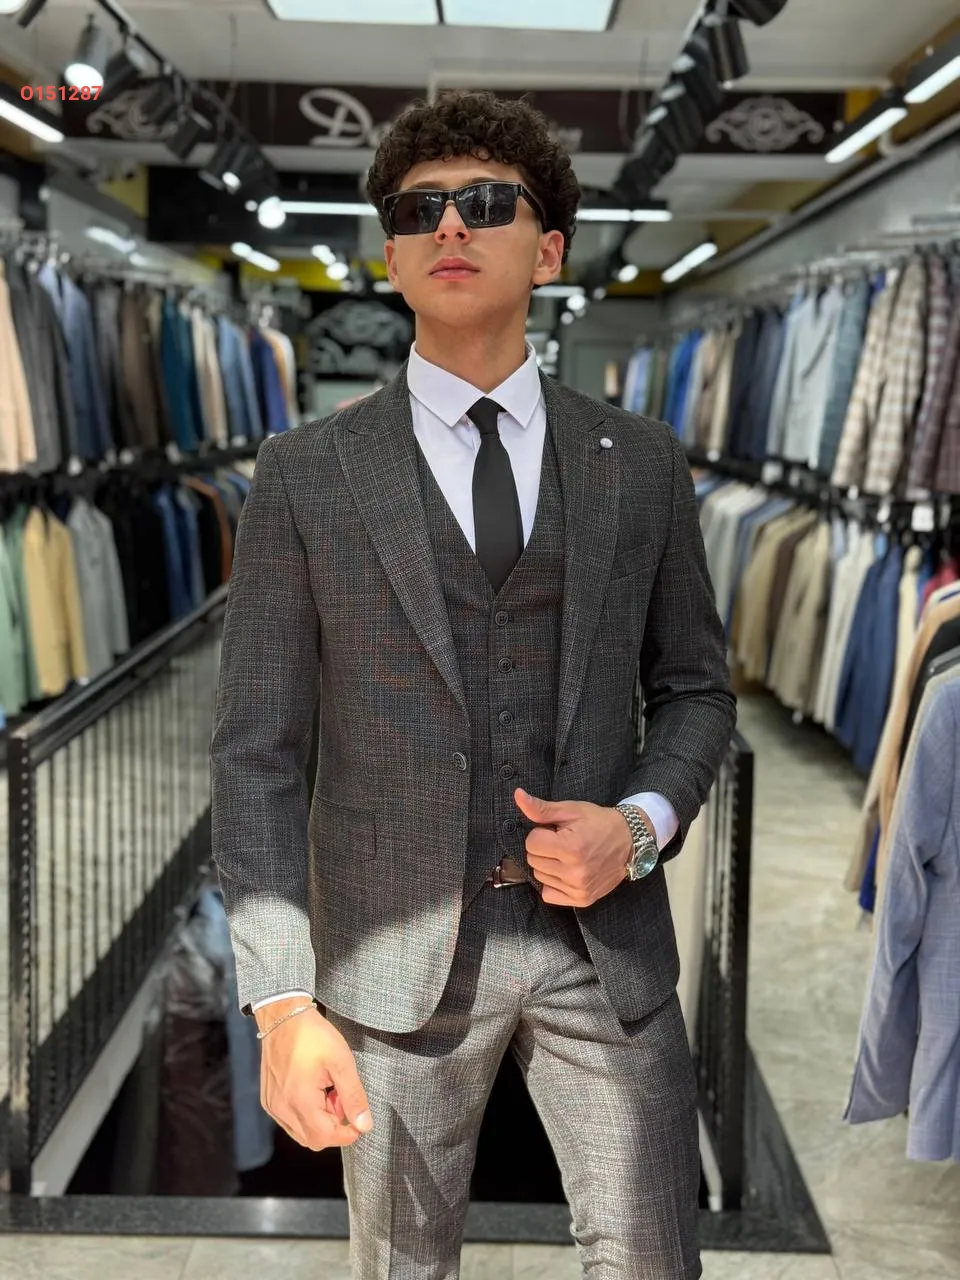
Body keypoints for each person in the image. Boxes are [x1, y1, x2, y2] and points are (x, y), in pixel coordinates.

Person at [210, 89, 736, 1280]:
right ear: (391, 254)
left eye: (488, 203)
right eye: (419, 210)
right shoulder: (304, 473)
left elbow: (698, 688)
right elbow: (256, 752)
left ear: (547, 249)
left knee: (654, 1259)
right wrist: (282, 1000)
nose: (450, 225)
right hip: (391, 964)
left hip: (603, 946)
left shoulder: (640, 465)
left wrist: (638, 825)